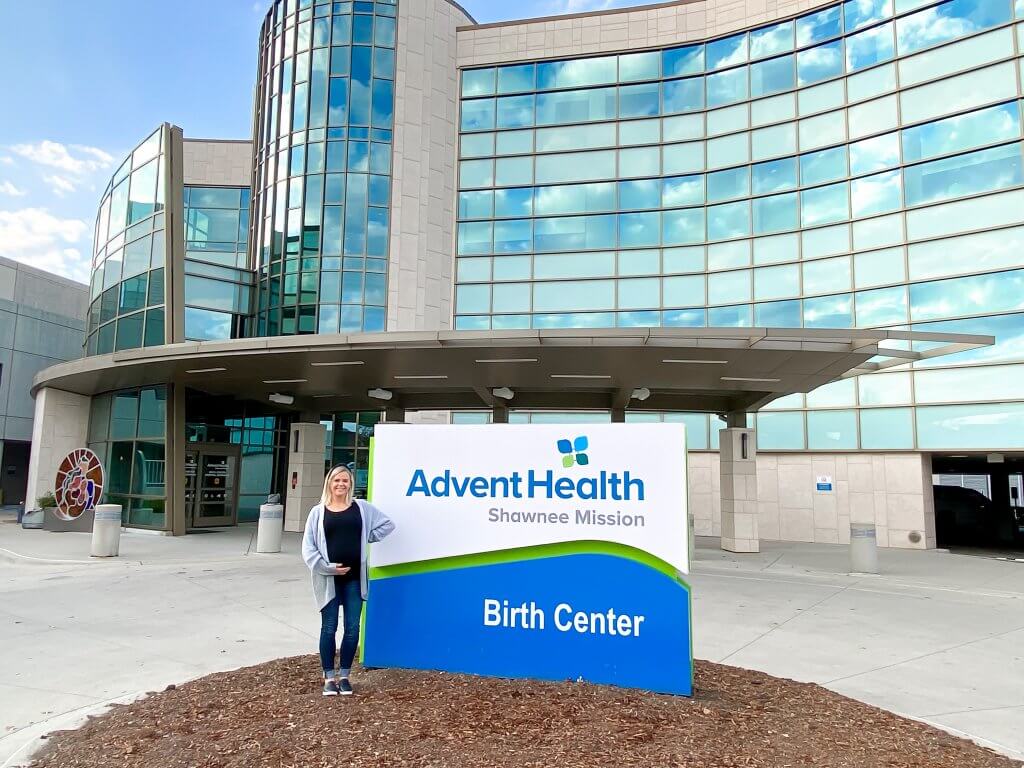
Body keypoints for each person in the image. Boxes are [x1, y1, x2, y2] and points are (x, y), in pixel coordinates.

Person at [301, 464, 394, 696]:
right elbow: (308, 547)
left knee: (352, 629)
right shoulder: (318, 512)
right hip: (328, 580)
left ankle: (344, 675)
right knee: (329, 628)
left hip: (354, 579)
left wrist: (367, 536)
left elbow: (387, 525)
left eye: (345, 481)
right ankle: (328, 678)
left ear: (351, 484)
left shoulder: (361, 508)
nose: (341, 484)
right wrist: (327, 568)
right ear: (329, 484)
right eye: (336, 480)